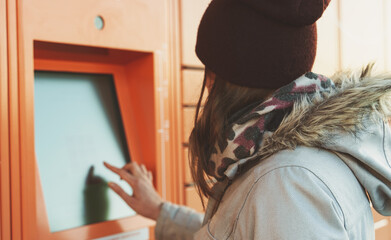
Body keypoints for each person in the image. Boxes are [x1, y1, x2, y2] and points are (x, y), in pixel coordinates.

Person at [104, 0, 391, 239]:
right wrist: (161, 211)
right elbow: (243, 229)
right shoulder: (289, 166)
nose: (207, 86)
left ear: (225, 81)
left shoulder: (287, 183)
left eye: (211, 72)